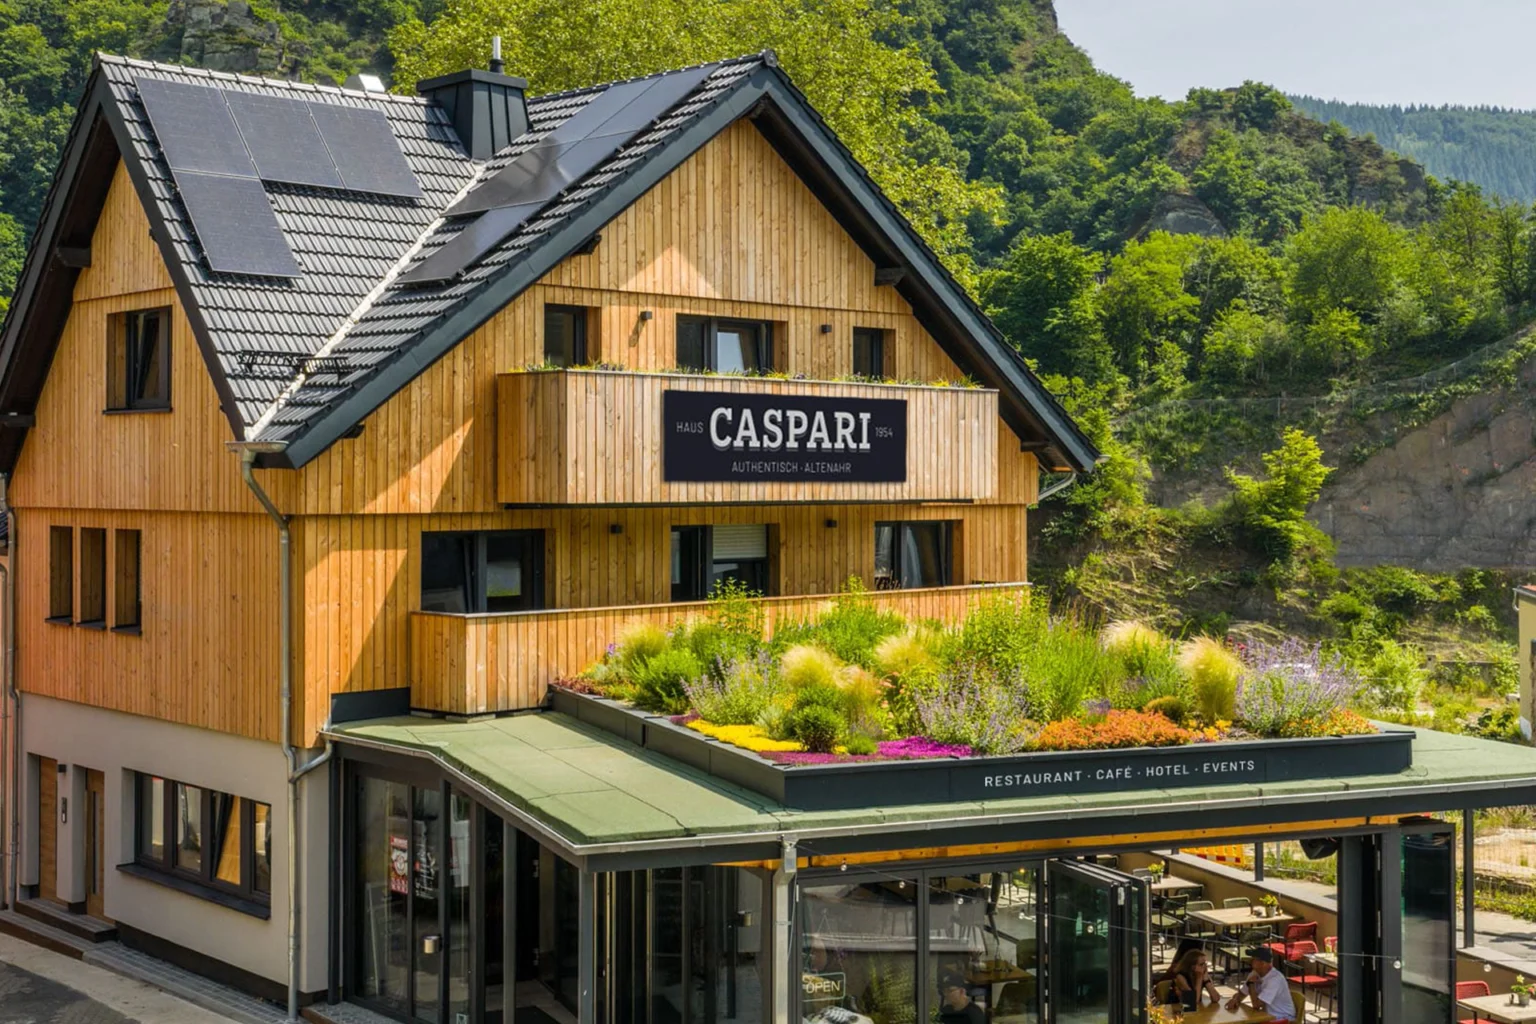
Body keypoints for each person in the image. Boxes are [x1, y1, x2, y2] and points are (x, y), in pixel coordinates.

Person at [1225, 947, 1295, 1021]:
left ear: (1263, 963)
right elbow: (1241, 994)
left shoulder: (1275, 979)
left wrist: (1251, 984)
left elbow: (1257, 1005)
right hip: (1266, 1016)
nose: (1251, 961)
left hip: (1282, 1018)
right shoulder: (1254, 973)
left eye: (1253, 959)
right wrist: (1235, 999)